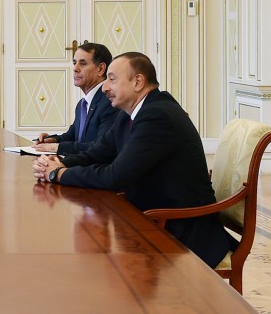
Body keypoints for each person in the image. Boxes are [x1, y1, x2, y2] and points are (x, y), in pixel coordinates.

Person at [33, 52, 236, 268]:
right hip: (152, 218)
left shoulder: (158, 115)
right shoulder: (129, 112)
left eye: (112, 79)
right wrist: (58, 163)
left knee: (98, 267)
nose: (104, 87)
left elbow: (116, 176)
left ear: (138, 82)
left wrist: (58, 174)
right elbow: (97, 153)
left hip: (181, 231)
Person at [33, 42, 117, 154]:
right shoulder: (82, 104)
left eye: (83, 64)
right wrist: (52, 140)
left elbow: (101, 147)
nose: (75, 68)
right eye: (74, 63)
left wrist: (57, 147)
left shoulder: (110, 102)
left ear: (101, 69)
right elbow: (73, 135)